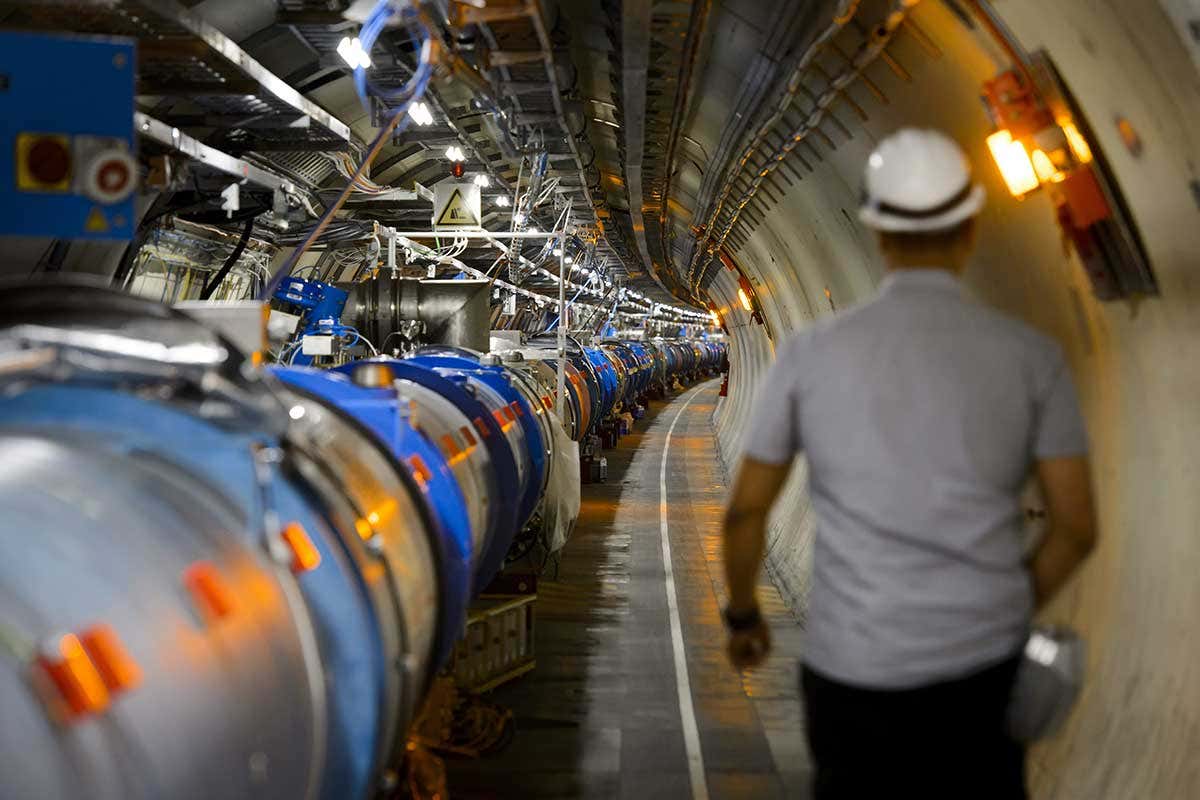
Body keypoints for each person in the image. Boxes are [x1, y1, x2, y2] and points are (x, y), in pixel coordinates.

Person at [720, 128, 1097, 799]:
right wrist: (1001, 608)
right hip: (981, 675)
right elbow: (1075, 527)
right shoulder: (1030, 358)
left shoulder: (811, 354)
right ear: (970, 226)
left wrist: (745, 616)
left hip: (852, 670)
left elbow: (747, 510)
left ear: (876, 232)